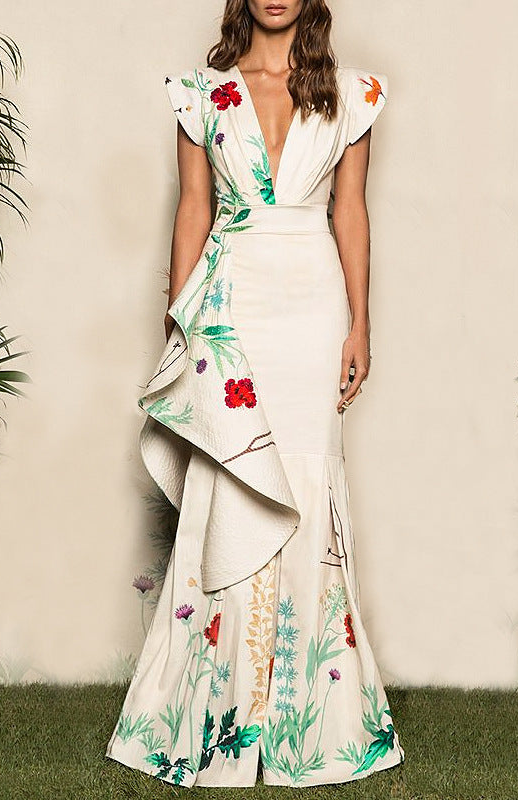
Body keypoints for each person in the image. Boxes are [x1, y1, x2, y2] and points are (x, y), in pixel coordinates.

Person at [105, 0, 404, 788]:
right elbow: (193, 208)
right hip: (230, 304)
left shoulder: (354, 94)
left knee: (305, 479)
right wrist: (180, 319)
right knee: (228, 475)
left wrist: (360, 324)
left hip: (313, 306)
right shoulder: (199, 95)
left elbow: (350, 211)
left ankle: (310, 714)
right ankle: (214, 713)